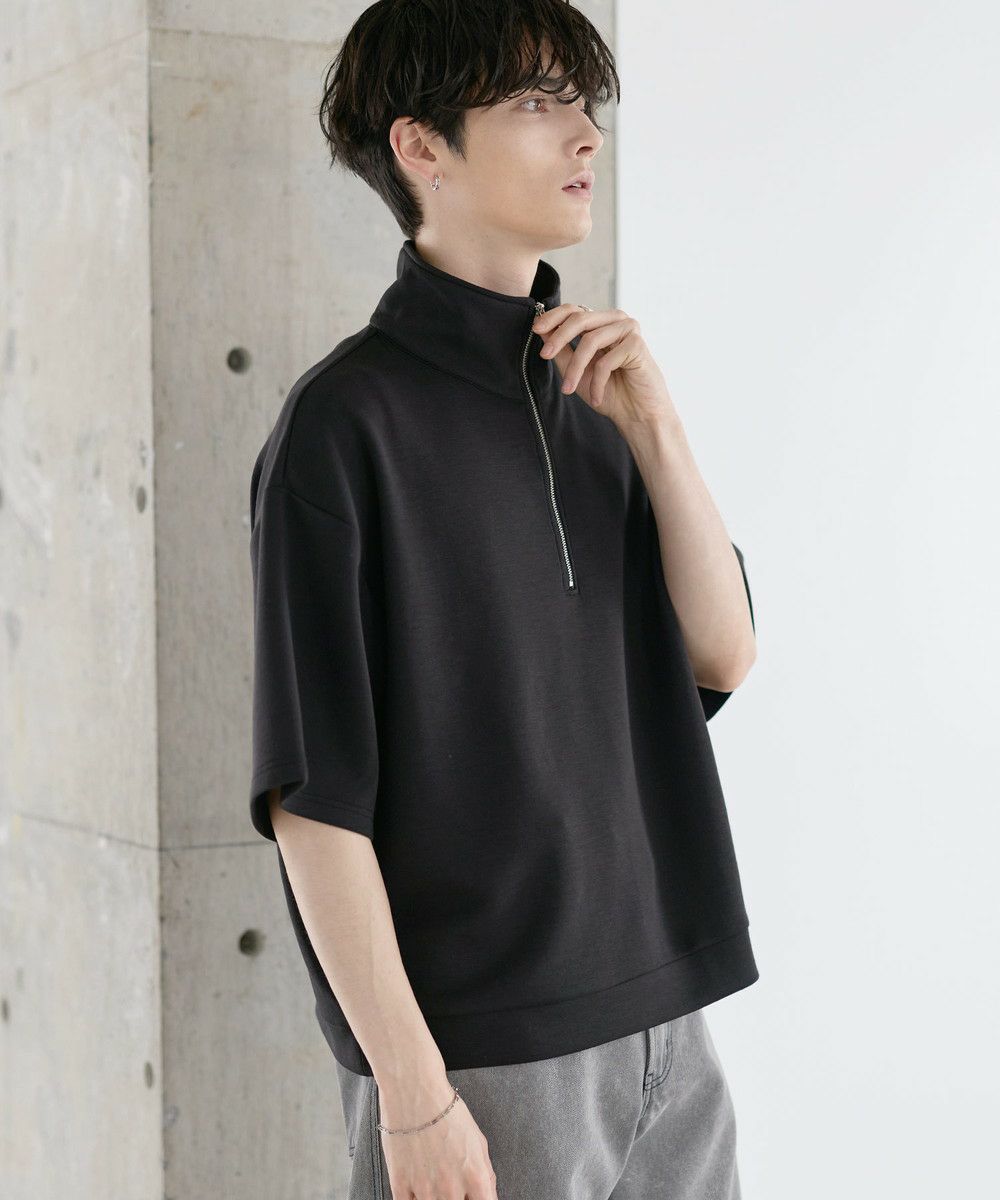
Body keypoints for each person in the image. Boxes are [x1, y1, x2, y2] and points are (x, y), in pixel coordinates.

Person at [247, 3, 760, 1197]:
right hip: (485, 1055)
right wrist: (413, 1094)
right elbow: (314, 800)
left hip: (668, 1028)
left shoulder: (600, 391)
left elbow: (723, 656)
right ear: (421, 145)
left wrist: (657, 429)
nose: (584, 136)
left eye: (582, 104)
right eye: (535, 103)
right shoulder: (343, 427)